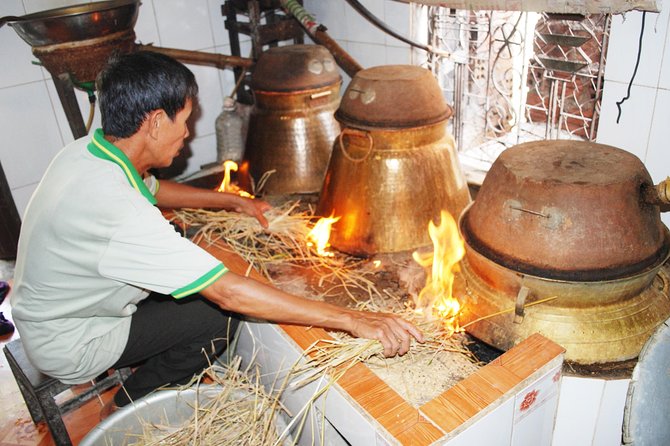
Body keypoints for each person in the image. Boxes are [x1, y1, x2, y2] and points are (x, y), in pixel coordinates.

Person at [10, 51, 423, 416]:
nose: (187, 134)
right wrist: (351, 318)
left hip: (49, 313)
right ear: (155, 122)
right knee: (215, 316)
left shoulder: (90, 152)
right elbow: (229, 292)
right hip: (73, 341)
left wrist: (235, 202)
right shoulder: (119, 213)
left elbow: (152, 188)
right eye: (185, 121)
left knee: (182, 270)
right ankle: (129, 405)